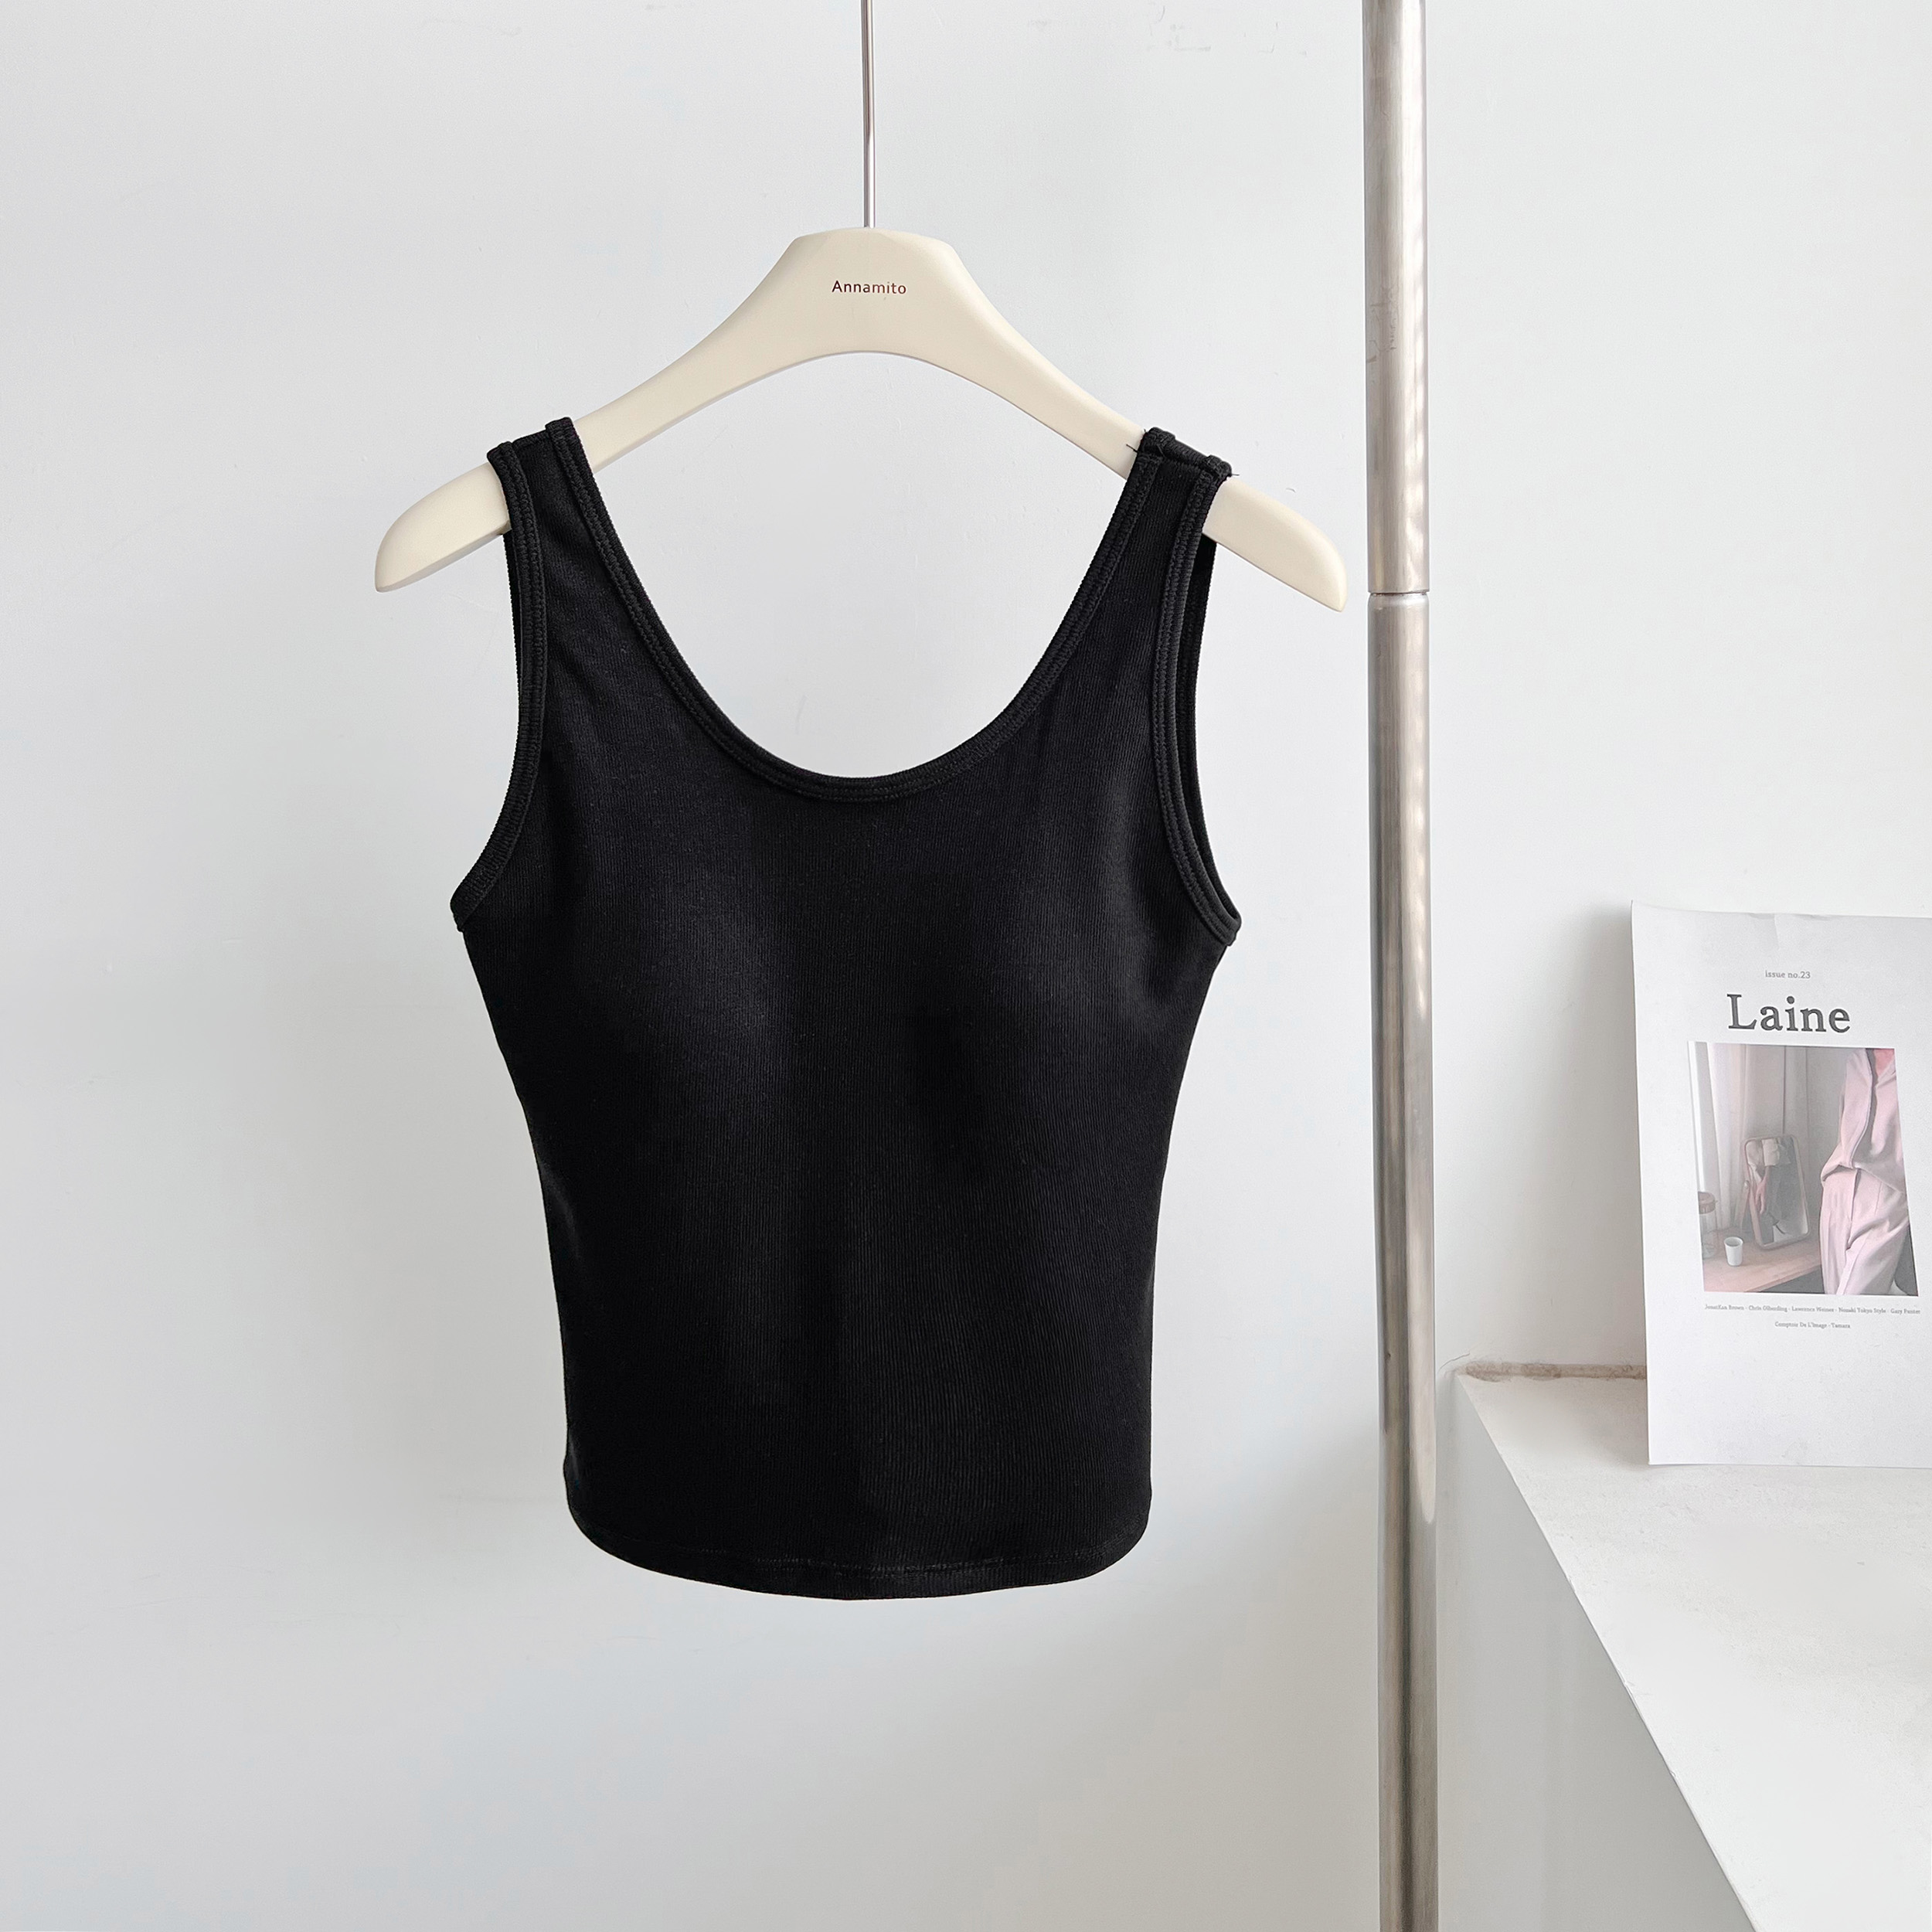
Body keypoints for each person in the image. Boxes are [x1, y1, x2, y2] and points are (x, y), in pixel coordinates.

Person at [1818, 1047, 1916, 1295]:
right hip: (1837, 1186)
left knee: (1853, 1303)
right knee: (1833, 1300)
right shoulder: (1856, 1060)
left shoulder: (1919, 1063)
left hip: (1887, 1193)